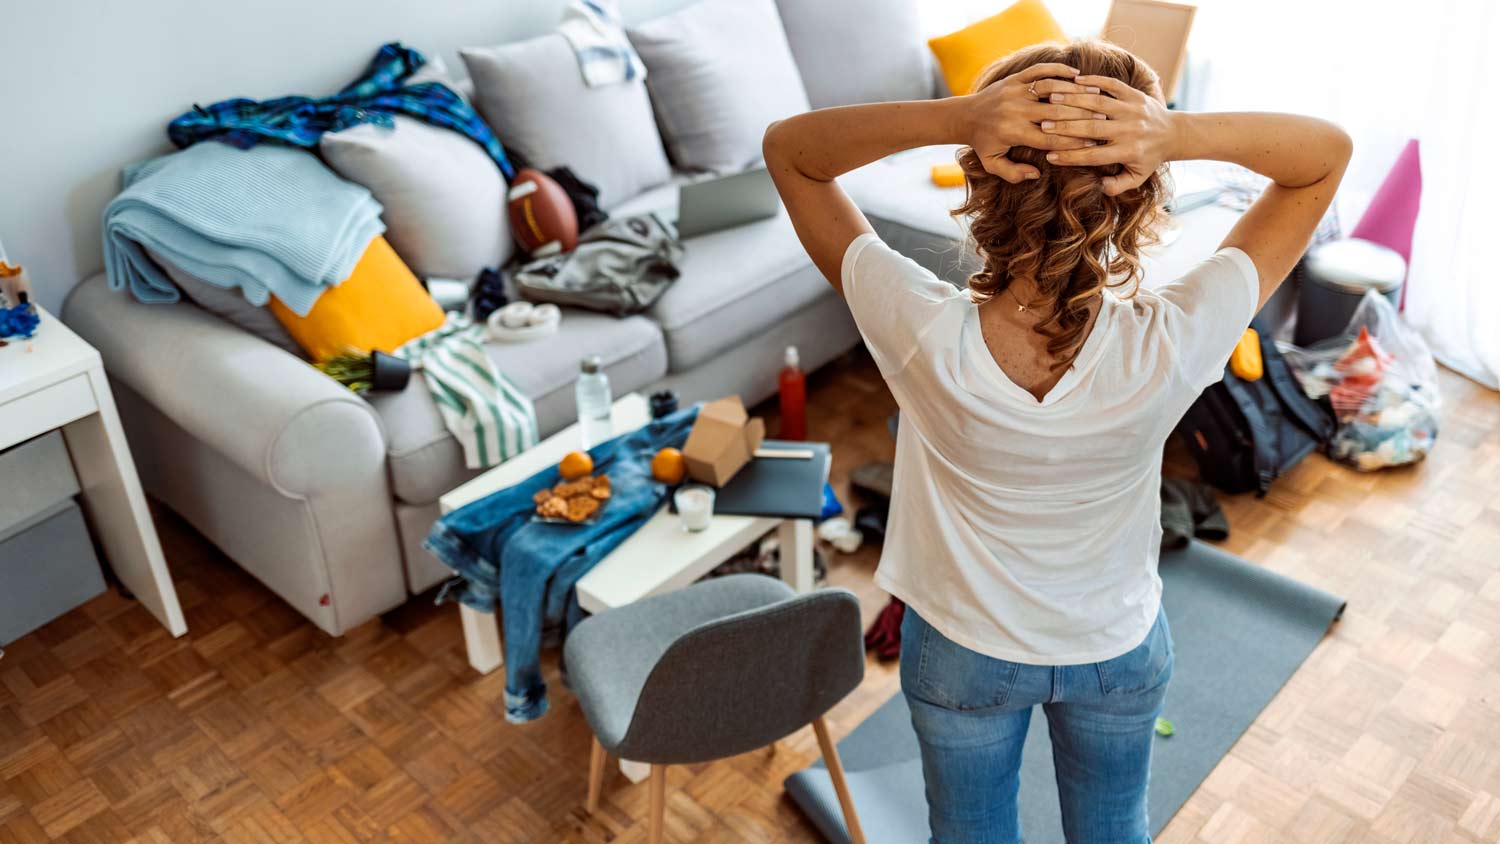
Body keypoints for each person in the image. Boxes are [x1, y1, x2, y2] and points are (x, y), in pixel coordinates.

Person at [763, 40, 1351, 844]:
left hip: (962, 650)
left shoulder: (915, 326)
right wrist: (1170, 133)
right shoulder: (1175, 338)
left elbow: (790, 153)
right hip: (1117, 650)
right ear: (1139, 195)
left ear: (981, 180)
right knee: (1114, 830)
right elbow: (1324, 156)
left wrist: (956, 118)